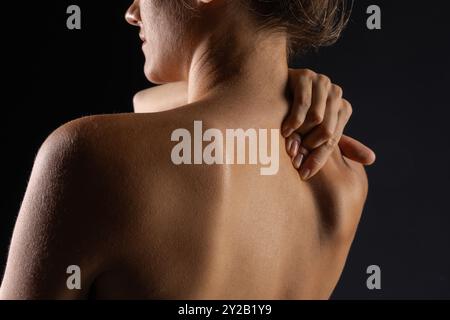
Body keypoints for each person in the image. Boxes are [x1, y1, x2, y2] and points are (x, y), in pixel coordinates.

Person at [0, 0, 375, 299]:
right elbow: (151, 104)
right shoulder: (344, 181)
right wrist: (276, 87)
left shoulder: (87, 154)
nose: (132, 12)